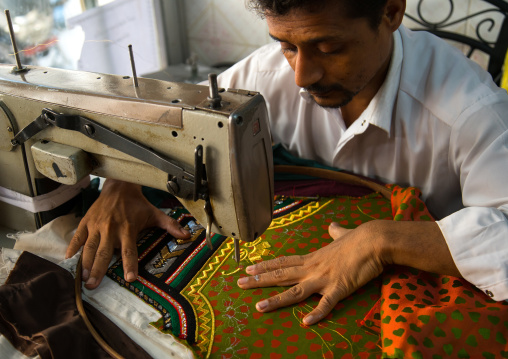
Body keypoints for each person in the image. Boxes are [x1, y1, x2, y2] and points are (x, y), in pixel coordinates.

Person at [66, 0, 508, 327]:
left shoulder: (475, 113)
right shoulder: (265, 76)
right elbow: (179, 128)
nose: (302, 75)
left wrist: (380, 239)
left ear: (391, 12)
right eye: (287, 46)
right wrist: (122, 184)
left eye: (328, 47)